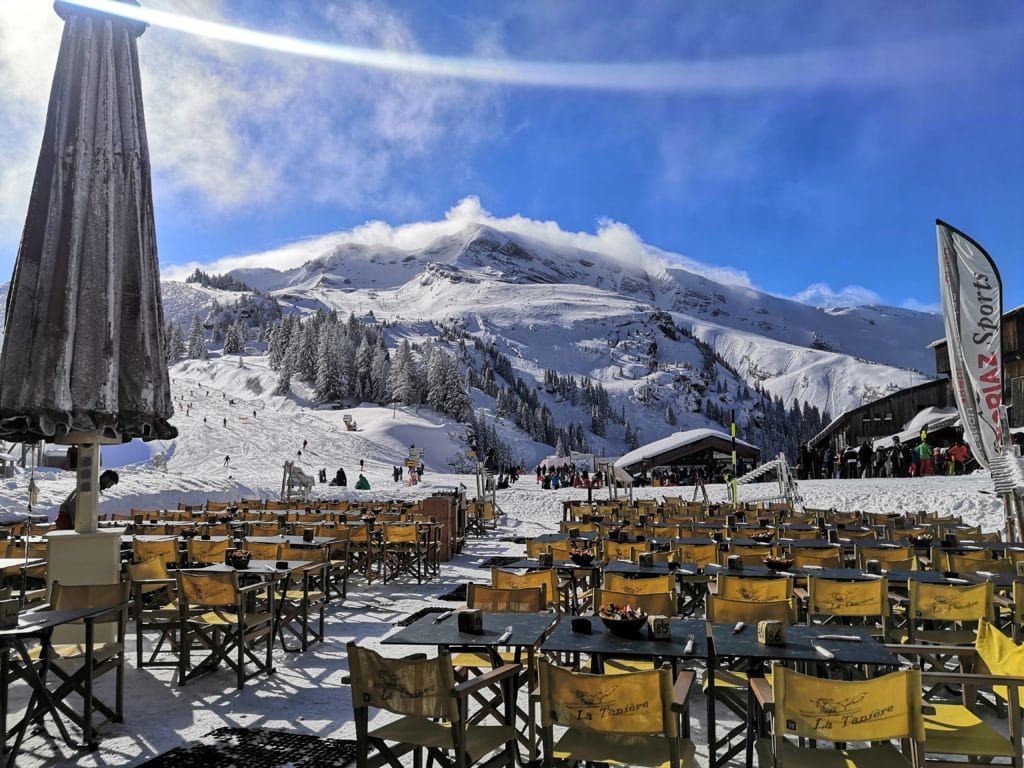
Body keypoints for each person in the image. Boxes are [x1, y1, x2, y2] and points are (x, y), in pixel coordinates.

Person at [54, 470, 119, 530]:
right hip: (66, 519)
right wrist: (75, 522)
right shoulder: (91, 486)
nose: (110, 486)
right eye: (111, 483)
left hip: (69, 518)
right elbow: (74, 503)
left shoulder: (94, 486)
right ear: (106, 479)